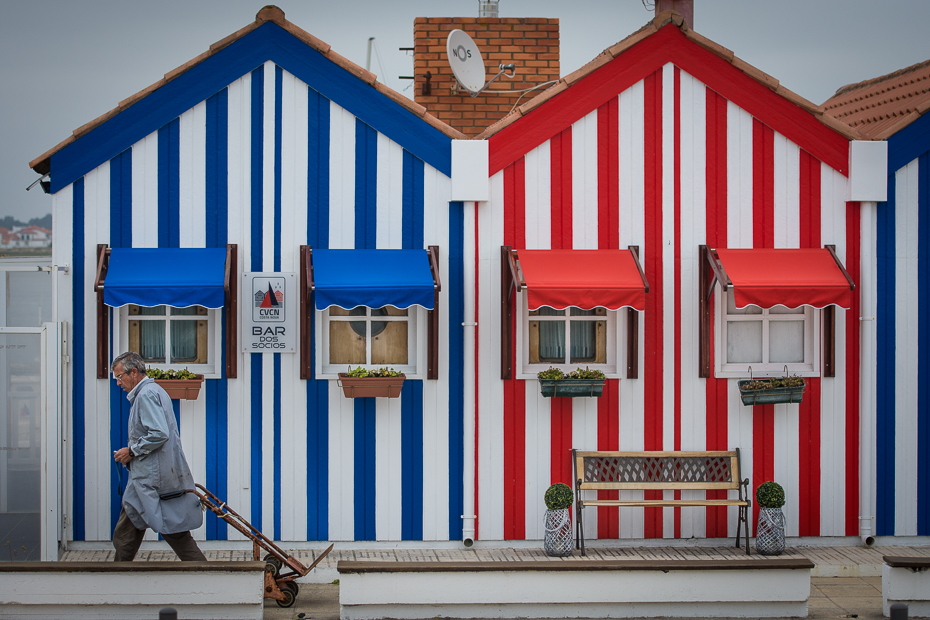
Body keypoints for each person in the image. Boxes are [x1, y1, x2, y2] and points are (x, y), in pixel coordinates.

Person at [111, 351, 206, 561]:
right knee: (131, 529)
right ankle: (116, 576)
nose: (118, 382)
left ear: (133, 372)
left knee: (170, 531)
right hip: (149, 476)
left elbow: (159, 433)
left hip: (150, 479)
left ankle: (202, 573)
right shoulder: (154, 391)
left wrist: (132, 450)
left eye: (119, 377)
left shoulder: (145, 395)